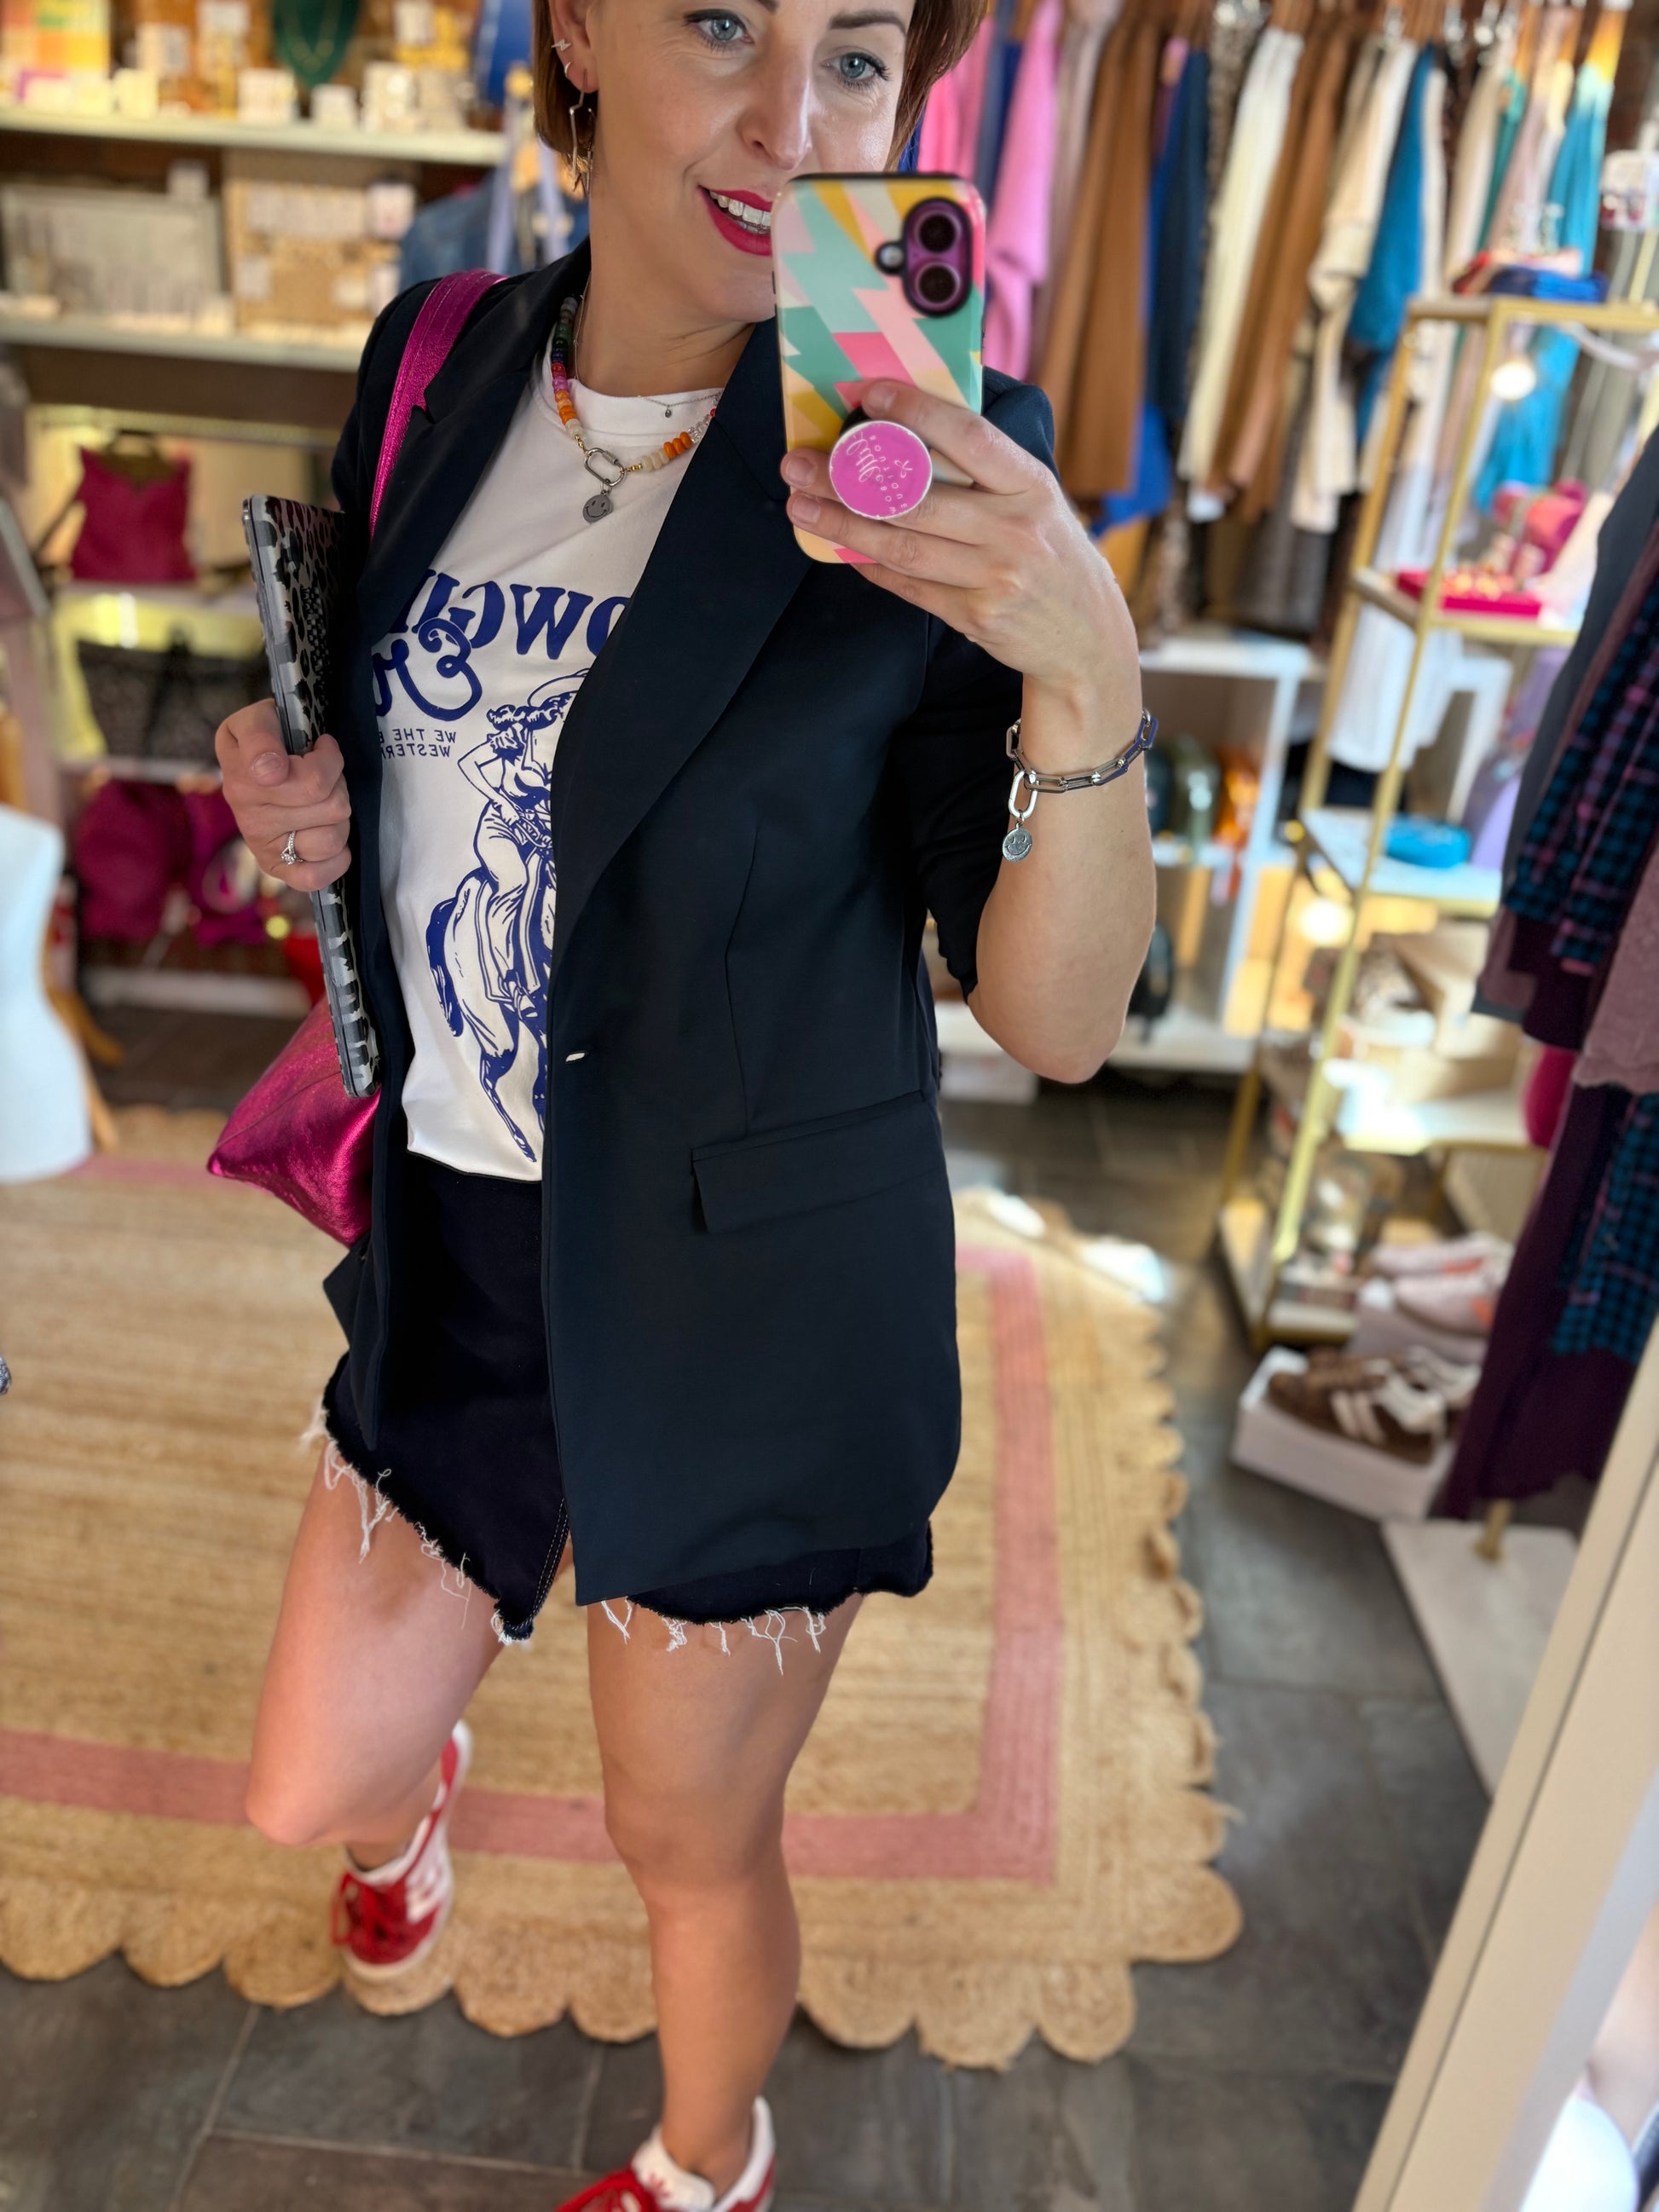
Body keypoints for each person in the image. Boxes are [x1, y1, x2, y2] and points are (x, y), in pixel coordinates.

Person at [212, 0, 1153, 2198]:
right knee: (306, 1787)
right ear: (586, 37)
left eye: (850, 55)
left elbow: (1063, 1017)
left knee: (684, 1842)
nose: (787, 118)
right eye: (722, 23)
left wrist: (1082, 664)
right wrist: (311, 798)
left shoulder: (927, 442)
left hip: (741, 1300)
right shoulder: (440, 357)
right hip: (468, 1237)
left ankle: (707, 2160)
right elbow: (416, 739)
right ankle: (424, 1792)